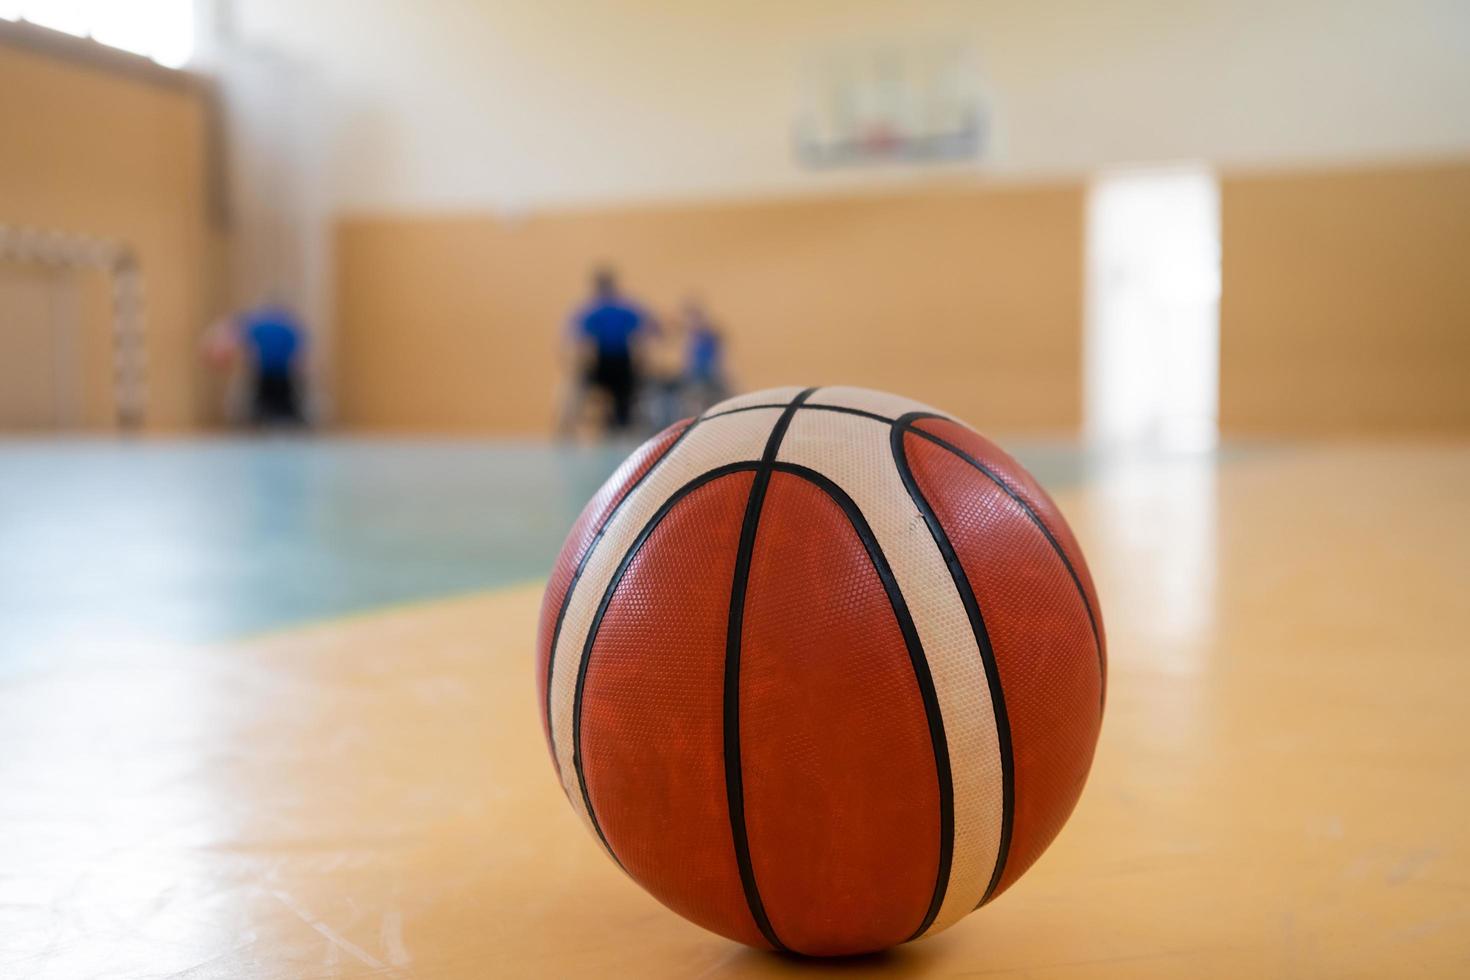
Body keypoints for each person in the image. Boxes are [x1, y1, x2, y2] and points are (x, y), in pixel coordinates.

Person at [563, 267, 655, 435]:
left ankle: (575, 427)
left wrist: (579, 367)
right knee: (623, 399)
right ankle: (619, 424)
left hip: (609, 364)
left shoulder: (591, 309)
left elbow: (579, 343)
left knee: (621, 397)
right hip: (617, 364)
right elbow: (643, 338)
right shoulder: (625, 307)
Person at [239, 301, 307, 427]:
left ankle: (262, 422)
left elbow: (249, 347)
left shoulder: (260, 326)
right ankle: (288, 423)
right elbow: (297, 352)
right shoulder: (288, 327)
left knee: (266, 401)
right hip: (280, 371)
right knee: (281, 401)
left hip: (268, 370)